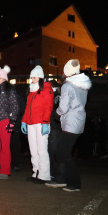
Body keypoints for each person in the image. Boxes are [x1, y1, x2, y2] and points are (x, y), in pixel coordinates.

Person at [45, 59, 92, 192]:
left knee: (62, 153)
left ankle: (74, 183)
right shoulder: (83, 85)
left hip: (70, 123)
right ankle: (63, 180)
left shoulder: (68, 85)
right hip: (79, 121)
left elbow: (64, 106)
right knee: (63, 152)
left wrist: (57, 113)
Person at [21, 65, 54, 184]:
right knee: (33, 149)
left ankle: (44, 175)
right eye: (31, 77)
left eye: (33, 77)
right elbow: (27, 109)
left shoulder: (46, 90)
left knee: (41, 149)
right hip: (31, 123)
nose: (31, 79)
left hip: (40, 123)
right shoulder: (31, 91)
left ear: (39, 77)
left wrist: (45, 122)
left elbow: (48, 107)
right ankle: (36, 172)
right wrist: (24, 121)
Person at [47, 80, 62, 178]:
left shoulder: (56, 96)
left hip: (54, 126)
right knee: (50, 150)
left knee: (53, 150)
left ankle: (55, 173)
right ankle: (52, 172)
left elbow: (55, 110)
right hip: (52, 126)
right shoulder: (53, 96)